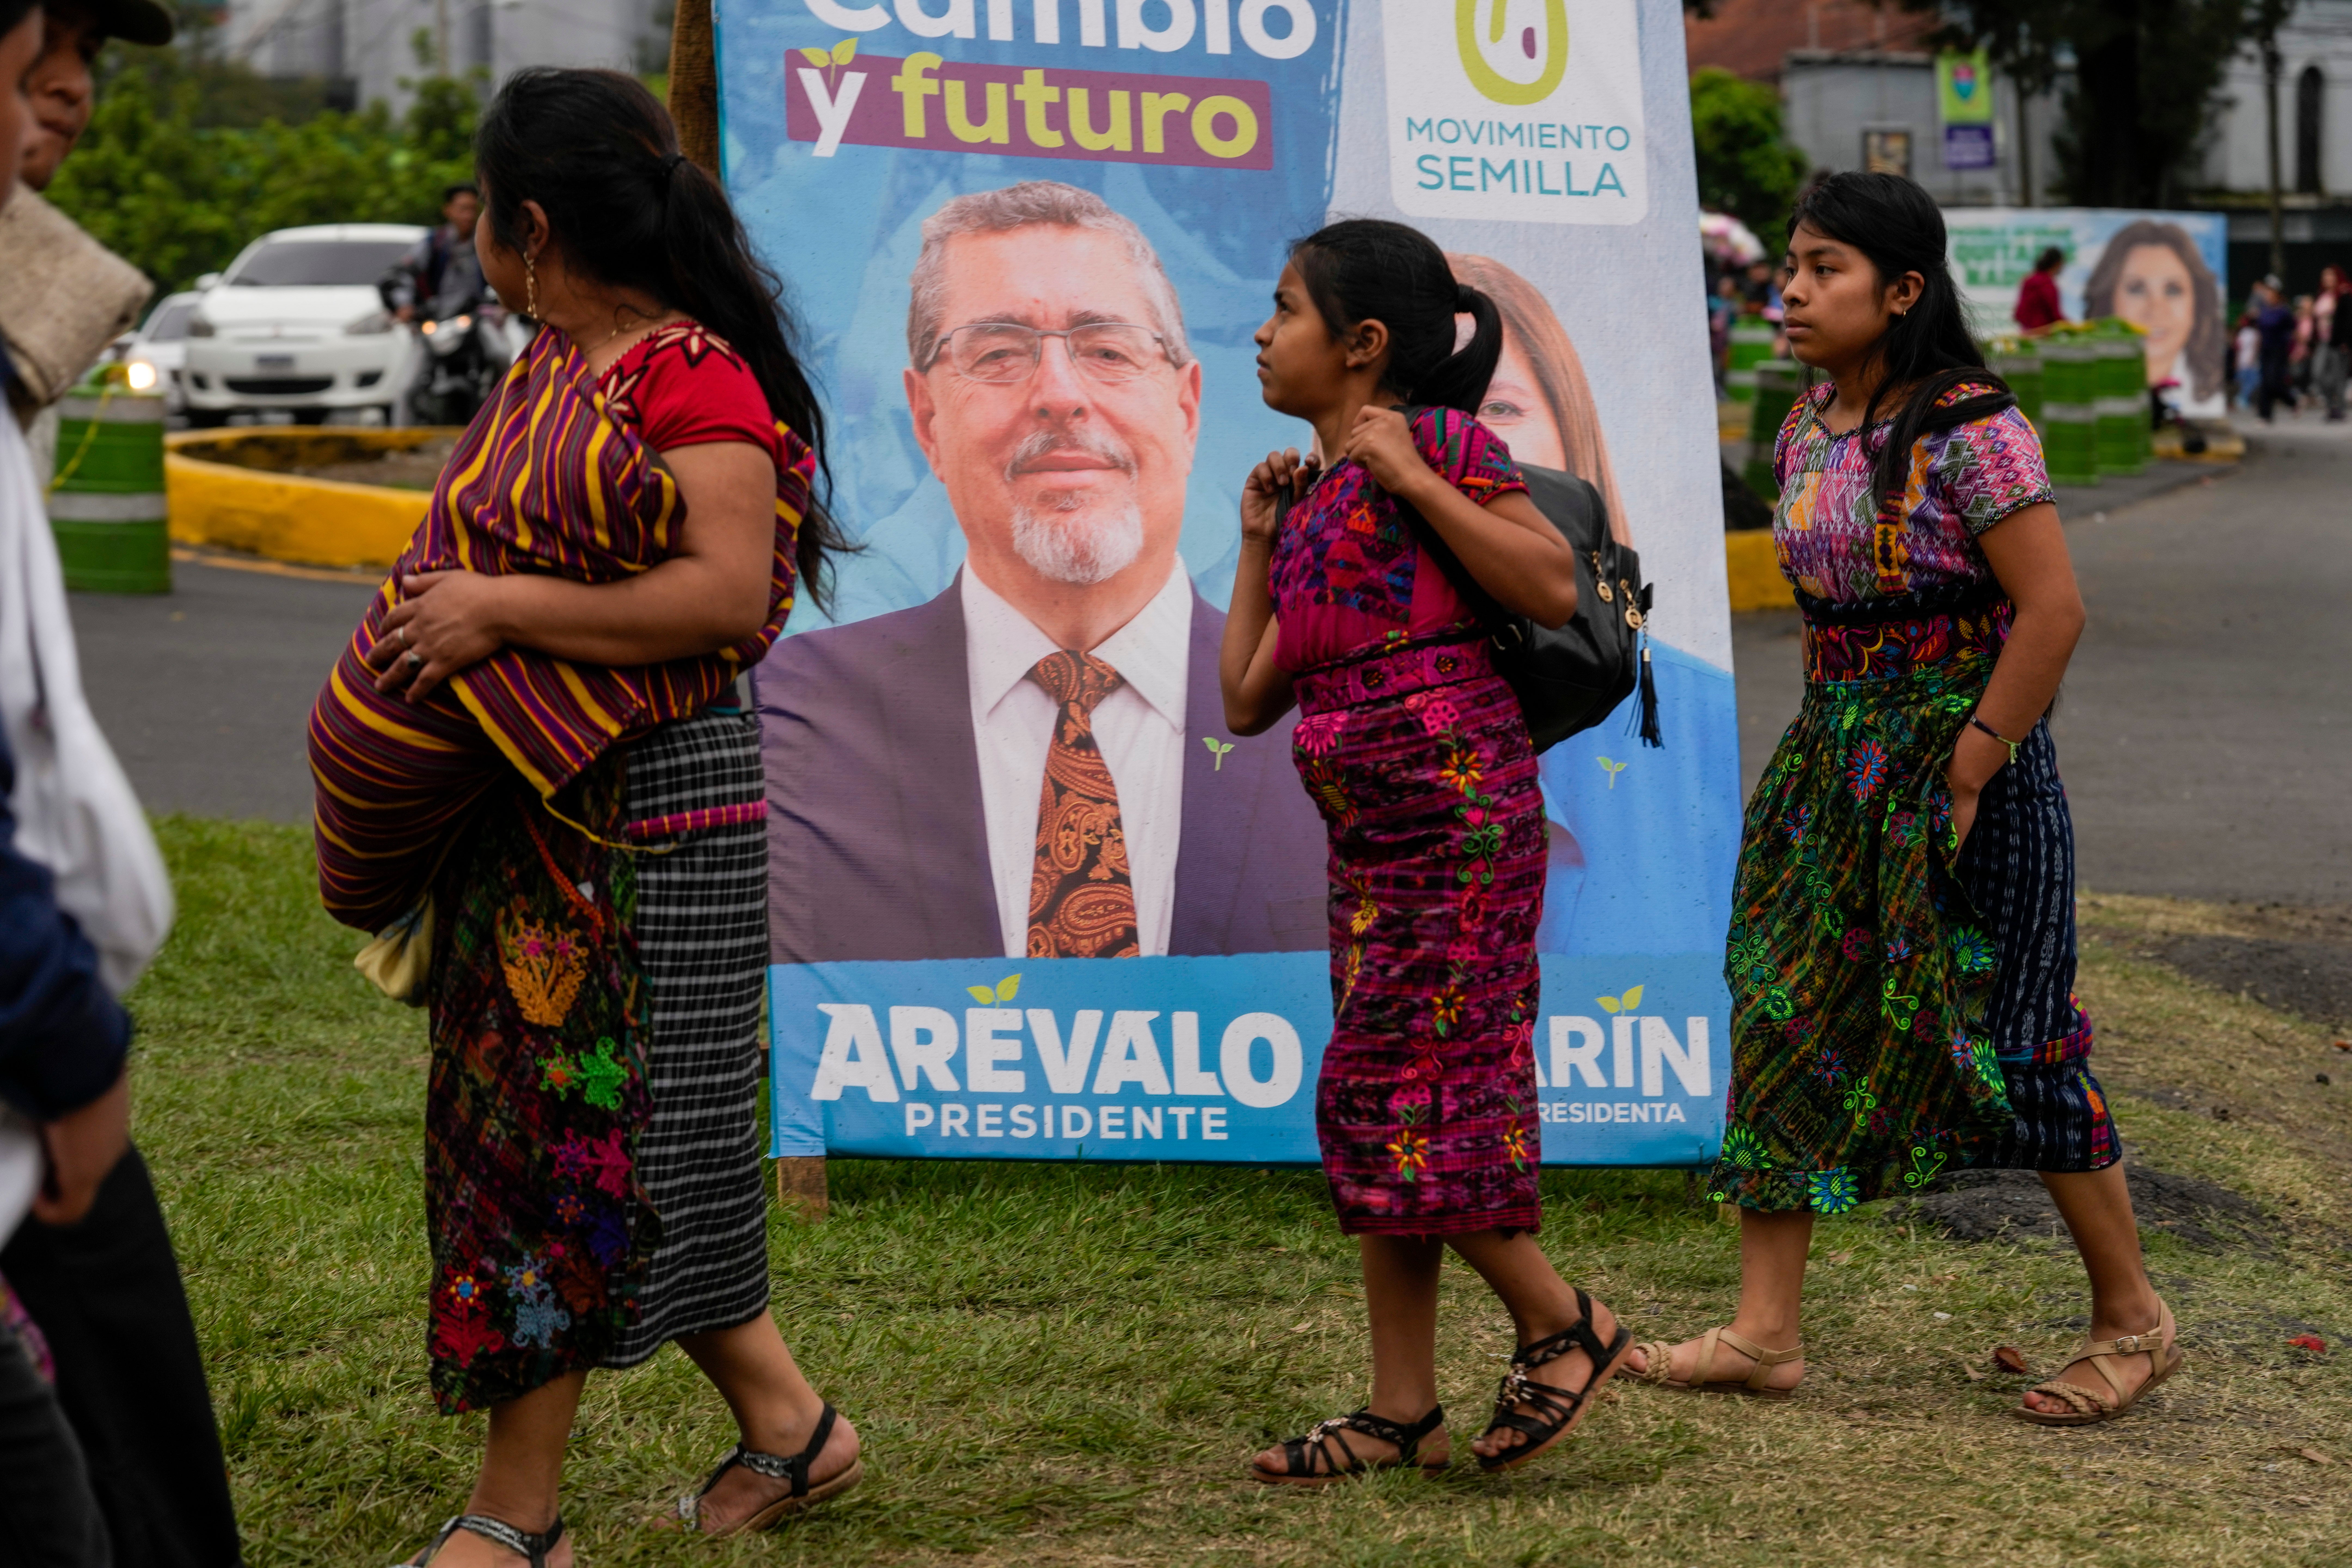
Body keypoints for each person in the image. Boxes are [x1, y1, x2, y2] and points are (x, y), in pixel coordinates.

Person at [307, 69, 861, 1562]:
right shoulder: (550, 365)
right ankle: (799, 1428)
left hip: (649, 823)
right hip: (534, 807)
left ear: (530, 224)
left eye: (483, 207)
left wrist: (495, 612)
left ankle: (519, 1522)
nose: (476, 229)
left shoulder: (690, 377)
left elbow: (726, 592)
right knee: (601, 1140)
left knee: (575, 1139)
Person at [1631, 172, 2183, 1428]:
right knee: (1781, 1007)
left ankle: (2132, 1317)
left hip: (1969, 766)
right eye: (1790, 264)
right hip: (1834, 761)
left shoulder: (1973, 425)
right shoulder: (1806, 424)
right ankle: (1764, 1333)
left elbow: (2052, 612)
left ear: (1903, 290)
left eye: (1824, 267)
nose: (1792, 288)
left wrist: (1974, 766)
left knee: (2015, 1028)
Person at [1222, 218, 1632, 1482]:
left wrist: (1415, 479)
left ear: (1361, 345)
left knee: (1383, 1102)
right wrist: (1254, 541)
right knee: (1406, 1102)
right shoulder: (1311, 500)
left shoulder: (1442, 446)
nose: (1261, 331)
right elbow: (1244, 699)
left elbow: (1549, 584)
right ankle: (1403, 1407)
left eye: (1284, 309)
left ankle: (1565, 1319)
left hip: (1460, 830)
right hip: (1374, 851)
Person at [755, 180, 1325, 964]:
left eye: (1107, 350)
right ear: (927, 421)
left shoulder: (1347, 715)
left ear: (1188, 410)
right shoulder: (783, 719)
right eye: (998, 354)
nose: (1060, 396)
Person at [387, 183, 488, 323]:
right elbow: (403, 273)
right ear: (448, 210)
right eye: (463, 209)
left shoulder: (484, 244)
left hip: (479, 319)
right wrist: (404, 304)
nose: (469, 216)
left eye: (473, 210)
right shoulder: (435, 243)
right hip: (439, 319)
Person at [2252, 276, 2298, 422]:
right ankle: (2265, 415)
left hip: (2279, 351)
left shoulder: (2284, 312)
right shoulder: (2264, 311)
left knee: (2274, 381)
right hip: (2266, 350)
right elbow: (2260, 331)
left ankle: (2292, 401)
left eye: (2271, 292)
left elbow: (2294, 331)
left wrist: (2294, 351)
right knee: (2265, 381)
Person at [2318, 264, 2349, 422]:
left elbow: (2347, 319)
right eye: (2325, 276)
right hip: (2323, 342)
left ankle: (2338, 409)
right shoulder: (2323, 296)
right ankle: (2332, 404)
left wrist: (2346, 341)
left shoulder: (2344, 293)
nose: (2327, 279)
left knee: (2338, 377)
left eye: (2331, 276)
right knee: (2318, 373)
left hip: (2338, 342)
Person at [2012, 245, 2066, 335]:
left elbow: (2019, 313)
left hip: (2026, 333)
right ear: (2058, 264)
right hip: (2043, 334)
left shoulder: (2029, 280)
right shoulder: (2047, 284)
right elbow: (2056, 315)